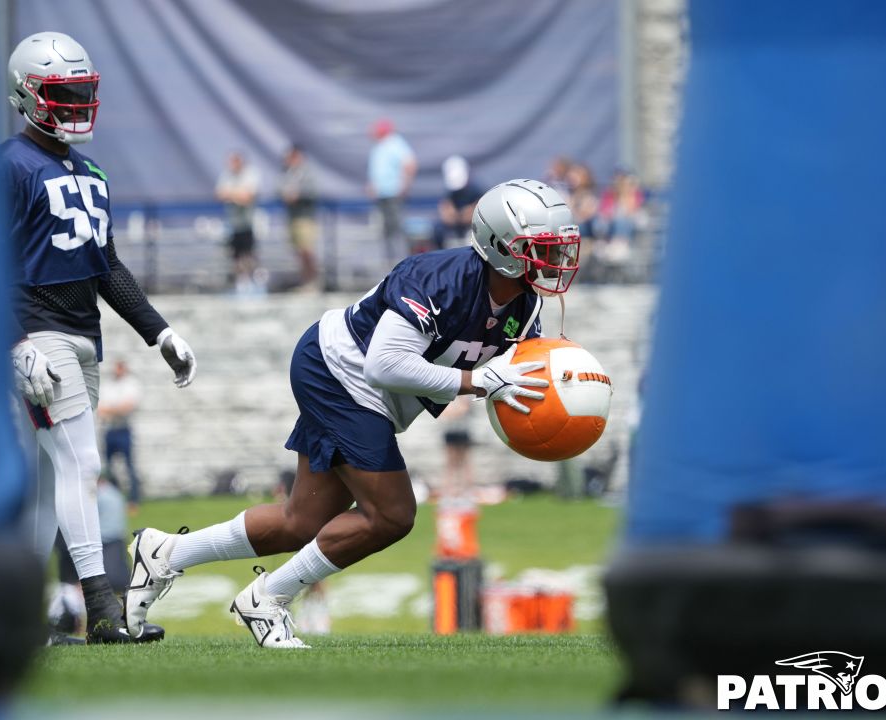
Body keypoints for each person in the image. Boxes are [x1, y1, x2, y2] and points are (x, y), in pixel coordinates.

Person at [125, 179, 581, 648]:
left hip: (361, 385)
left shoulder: (524, 306)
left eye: (558, 249)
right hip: (338, 369)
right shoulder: (438, 278)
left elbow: (517, 376)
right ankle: (269, 597)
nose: (555, 262)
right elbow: (385, 364)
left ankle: (165, 552)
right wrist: (476, 382)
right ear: (499, 244)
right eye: (541, 248)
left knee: (300, 522)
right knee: (394, 513)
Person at [2, 31, 198, 644]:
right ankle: (103, 612)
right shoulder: (9, 164)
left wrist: (158, 332)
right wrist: (15, 340)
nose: (78, 104)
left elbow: (105, 264)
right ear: (28, 95)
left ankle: (17, 619)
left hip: (83, 336)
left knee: (43, 481)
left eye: (82, 91)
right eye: (63, 92)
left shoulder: (90, 171)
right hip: (39, 334)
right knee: (83, 465)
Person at [366, 118, 416, 264]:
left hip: (393, 194)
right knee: (385, 230)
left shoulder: (395, 143)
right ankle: (389, 262)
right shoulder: (379, 146)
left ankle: (402, 262)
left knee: (397, 229)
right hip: (382, 195)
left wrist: (404, 185)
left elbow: (410, 164)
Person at [97, 359, 143, 509]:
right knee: (108, 467)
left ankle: (133, 501)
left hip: (124, 430)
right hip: (109, 430)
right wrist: (116, 409)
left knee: (129, 467)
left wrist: (112, 410)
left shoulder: (131, 384)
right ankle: (113, 499)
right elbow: (101, 410)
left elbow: (127, 407)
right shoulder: (107, 385)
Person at [217, 151, 264, 294]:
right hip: (233, 223)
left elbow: (247, 196)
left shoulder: (251, 174)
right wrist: (237, 194)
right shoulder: (227, 175)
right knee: (235, 254)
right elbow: (220, 194)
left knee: (249, 253)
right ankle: (240, 282)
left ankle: (252, 281)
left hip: (249, 222)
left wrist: (232, 194)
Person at [280, 144, 321, 291]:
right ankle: (305, 282)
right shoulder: (287, 172)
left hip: (305, 217)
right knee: (298, 251)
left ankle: (314, 282)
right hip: (293, 216)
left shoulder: (307, 173)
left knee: (307, 250)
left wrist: (298, 195)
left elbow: (314, 191)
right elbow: (278, 188)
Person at [436, 155, 484, 249]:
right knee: (438, 229)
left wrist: (471, 214)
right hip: (456, 226)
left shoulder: (476, 189)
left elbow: (480, 209)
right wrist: (451, 215)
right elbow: (445, 209)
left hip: (472, 226)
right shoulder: (450, 192)